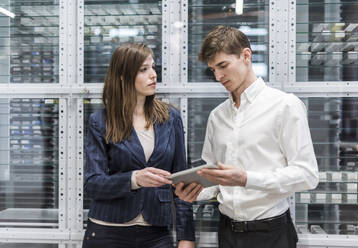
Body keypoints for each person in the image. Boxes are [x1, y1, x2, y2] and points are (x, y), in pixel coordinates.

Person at [174, 25, 319, 248]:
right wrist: (196, 192)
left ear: (246, 56)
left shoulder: (284, 106)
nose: (218, 76)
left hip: (272, 234)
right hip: (227, 232)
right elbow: (215, 178)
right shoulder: (217, 116)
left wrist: (246, 179)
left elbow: (307, 175)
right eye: (213, 69)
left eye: (223, 66)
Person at [83, 43, 195, 248]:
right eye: (144, 69)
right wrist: (135, 179)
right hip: (107, 230)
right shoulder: (101, 121)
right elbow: (92, 184)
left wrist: (186, 238)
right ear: (123, 76)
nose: (153, 75)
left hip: (156, 232)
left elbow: (181, 181)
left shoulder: (171, 119)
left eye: (153, 67)